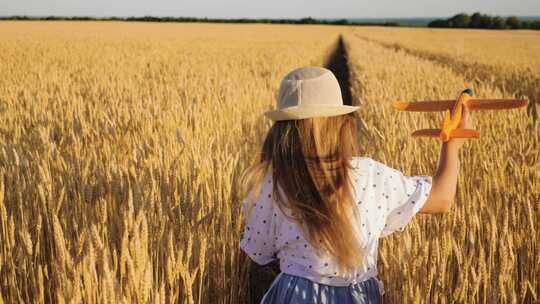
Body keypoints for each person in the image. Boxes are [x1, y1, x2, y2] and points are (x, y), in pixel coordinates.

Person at [239, 66, 469, 303]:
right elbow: (442, 198)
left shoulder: (271, 184)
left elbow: (260, 251)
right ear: (341, 123)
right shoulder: (371, 175)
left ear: (281, 131)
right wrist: (452, 143)